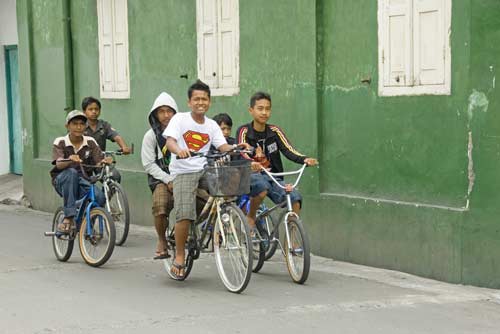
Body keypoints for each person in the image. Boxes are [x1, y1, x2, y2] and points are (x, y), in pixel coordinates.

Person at [163, 80, 247, 279]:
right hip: (183, 171)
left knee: (227, 186)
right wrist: (179, 151)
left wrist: (237, 147)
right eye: (196, 99)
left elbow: (222, 146)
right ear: (189, 102)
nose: (201, 102)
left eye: (204, 99)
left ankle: (222, 220)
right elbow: (170, 141)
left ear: (209, 101)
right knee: (185, 212)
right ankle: (180, 256)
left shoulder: (211, 125)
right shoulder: (180, 119)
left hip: (204, 168)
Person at [236, 91, 318, 230]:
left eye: (267, 109)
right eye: (260, 108)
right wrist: (252, 163)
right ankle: (251, 216)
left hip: (273, 177)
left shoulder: (274, 131)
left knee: (295, 198)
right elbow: (242, 153)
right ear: (251, 110)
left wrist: (304, 159)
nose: (264, 112)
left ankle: (291, 241)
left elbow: (288, 150)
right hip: (252, 176)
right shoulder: (244, 131)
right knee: (262, 188)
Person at [50, 110, 110, 233]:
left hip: (83, 180)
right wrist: (69, 159)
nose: (78, 127)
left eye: (82, 124)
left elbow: (98, 162)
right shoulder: (60, 141)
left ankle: (87, 225)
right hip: (62, 180)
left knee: (99, 197)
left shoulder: (90, 142)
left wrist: (103, 162)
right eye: (75, 124)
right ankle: (68, 218)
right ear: (67, 126)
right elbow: (58, 163)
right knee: (71, 172)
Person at [141, 92, 177, 260]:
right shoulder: (151, 136)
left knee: (205, 201)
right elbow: (148, 164)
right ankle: (162, 240)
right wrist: (167, 179)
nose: (166, 115)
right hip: (161, 179)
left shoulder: (182, 133)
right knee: (160, 205)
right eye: (161, 111)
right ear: (155, 114)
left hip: (182, 176)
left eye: (169, 111)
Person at [82, 96, 131, 183]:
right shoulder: (80, 126)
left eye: (96, 109)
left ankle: (104, 197)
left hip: (100, 161)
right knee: (84, 185)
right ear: (84, 111)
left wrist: (124, 147)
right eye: (90, 109)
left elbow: (116, 136)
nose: (94, 111)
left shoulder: (104, 125)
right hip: (84, 162)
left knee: (114, 176)